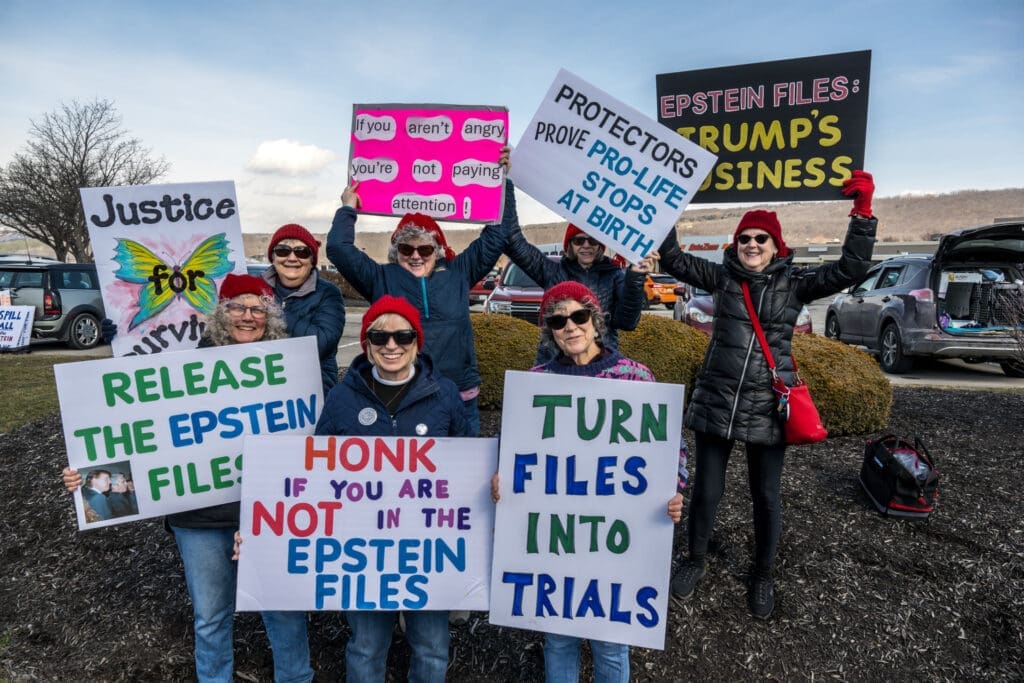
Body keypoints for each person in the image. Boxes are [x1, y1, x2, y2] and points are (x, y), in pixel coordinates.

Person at [64, 274, 313, 683]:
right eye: (237, 307)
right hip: (199, 519)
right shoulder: (183, 371)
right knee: (211, 616)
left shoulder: (291, 370)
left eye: (257, 309)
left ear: (269, 318)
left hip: (269, 513)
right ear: (221, 312)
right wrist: (88, 477)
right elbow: (138, 434)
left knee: (283, 610)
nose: (247, 317)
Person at [660, 171, 878, 619]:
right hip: (717, 400)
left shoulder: (794, 284)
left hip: (768, 407)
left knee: (766, 496)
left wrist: (862, 212)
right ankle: (695, 560)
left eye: (762, 239)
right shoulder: (721, 279)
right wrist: (670, 201)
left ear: (777, 247)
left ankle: (763, 574)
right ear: (735, 245)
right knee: (706, 492)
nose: (753, 245)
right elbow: (674, 258)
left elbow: (851, 269)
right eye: (745, 238)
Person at [490, 281, 685, 683]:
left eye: (579, 316)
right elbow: (513, 447)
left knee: (611, 643)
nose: (570, 327)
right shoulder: (535, 382)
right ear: (550, 331)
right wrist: (501, 477)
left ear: (595, 322)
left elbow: (671, 448)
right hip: (558, 542)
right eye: (559, 321)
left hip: (616, 541)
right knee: (558, 638)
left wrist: (674, 488)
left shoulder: (634, 376)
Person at [314, 295, 469, 682]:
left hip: (428, 549)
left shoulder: (445, 394)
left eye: (403, 335)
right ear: (366, 343)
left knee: (432, 648)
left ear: (417, 341)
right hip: (364, 552)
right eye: (379, 337)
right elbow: (316, 473)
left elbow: (469, 460)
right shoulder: (341, 397)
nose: (391, 346)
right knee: (366, 647)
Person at [327, 150, 514, 436]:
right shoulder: (380, 278)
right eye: (406, 248)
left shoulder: (458, 272)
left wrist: (503, 183)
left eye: (424, 248)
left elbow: (497, 235)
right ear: (395, 251)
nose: (416, 256)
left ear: (437, 250)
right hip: (404, 401)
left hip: (460, 397)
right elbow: (339, 249)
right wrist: (347, 208)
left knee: (463, 476)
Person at [503, 177, 652, 363]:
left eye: (592, 240)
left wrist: (635, 277)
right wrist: (505, 182)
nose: (586, 245)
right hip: (555, 362)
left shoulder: (614, 275)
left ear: (600, 245)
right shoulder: (552, 271)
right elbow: (513, 241)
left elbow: (628, 322)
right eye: (579, 240)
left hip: (599, 363)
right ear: (570, 245)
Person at [262, 223, 346, 393]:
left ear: (312, 260)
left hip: (311, 394)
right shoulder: (254, 289)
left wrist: (271, 311)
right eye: (283, 251)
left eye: (302, 252)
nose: (292, 258)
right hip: (263, 389)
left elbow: (321, 342)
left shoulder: (328, 293)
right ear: (273, 257)